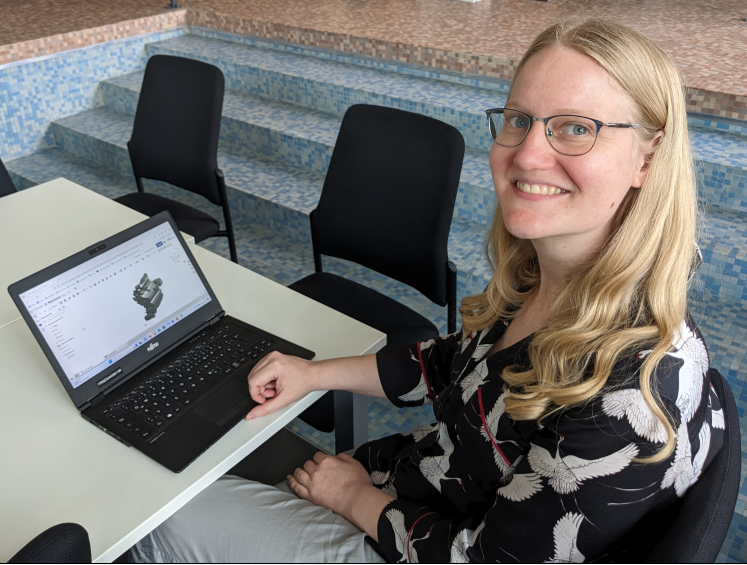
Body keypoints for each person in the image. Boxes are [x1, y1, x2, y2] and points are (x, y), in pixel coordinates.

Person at [131, 17, 724, 563]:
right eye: (519, 119)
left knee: (154, 517)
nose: (528, 153)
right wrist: (314, 374)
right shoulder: (545, 276)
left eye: (576, 128)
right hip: (415, 485)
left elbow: (480, 559)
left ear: (648, 155)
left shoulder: (629, 396)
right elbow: (450, 367)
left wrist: (352, 498)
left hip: (420, 541)